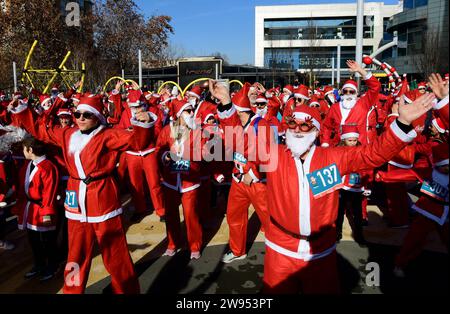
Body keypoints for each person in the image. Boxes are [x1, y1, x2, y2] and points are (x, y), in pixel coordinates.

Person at [209, 66, 435, 294]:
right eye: (292, 124)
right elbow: (239, 143)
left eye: (305, 125)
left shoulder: (333, 157)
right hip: (280, 250)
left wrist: (402, 123)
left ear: (316, 131)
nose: (297, 129)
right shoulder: (274, 155)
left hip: (321, 251)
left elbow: (373, 153)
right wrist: (227, 104)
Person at [8, 94, 157, 294]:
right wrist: (23, 110)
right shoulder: (68, 134)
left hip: (102, 199)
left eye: (87, 115)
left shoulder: (108, 135)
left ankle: (127, 290)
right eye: (77, 114)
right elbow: (41, 130)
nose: (80, 118)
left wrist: (142, 123)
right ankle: (72, 291)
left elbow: (137, 142)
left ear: (97, 117)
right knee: (75, 255)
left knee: (115, 254)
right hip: (75, 202)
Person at [213, 82, 272, 264]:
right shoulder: (238, 125)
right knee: (234, 216)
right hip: (238, 179)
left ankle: (280, 250)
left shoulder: (260, 125)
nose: (232, 116)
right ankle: (238, 250)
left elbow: (267, 154)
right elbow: (228, 123)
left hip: (257, 182)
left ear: (242, 111)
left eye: (234, 111)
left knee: (269, 217)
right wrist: (224, 101)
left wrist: (252, 174)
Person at [156, 99, 204, 260]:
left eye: (192, 110)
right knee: (171, 214)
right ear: (178, 114)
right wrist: (166, 155)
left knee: (191, 215)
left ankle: (194, 245)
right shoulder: (166, 130)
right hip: (170, 180)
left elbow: (203, 152)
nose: (192, 113)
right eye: (188, 111)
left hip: (189, 180)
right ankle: (172, 243)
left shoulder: (197, 130)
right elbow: (158, 150)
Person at [393, 142, 449, 278]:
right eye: (445, 166)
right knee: (414, 239)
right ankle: (400, 264)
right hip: (427, 212)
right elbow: (408, 174)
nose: (447, 168)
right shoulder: (429, 172)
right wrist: (384, 176)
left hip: (446, 215)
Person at [13, 136, 60, 281]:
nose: (23, 152)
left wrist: (47, 214)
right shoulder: (28, 165)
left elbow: (49, 193)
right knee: (34, 240)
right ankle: (39, 264)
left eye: (24, 149)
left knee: (48, 241)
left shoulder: (48, 167)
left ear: (30, 150)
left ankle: (52, 266)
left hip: (42, 209)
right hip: (30, 209)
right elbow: (23, 187)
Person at [320, 60, 381, 147]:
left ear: (356, 93)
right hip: (338, 148)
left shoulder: (363, 104)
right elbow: (326, 126)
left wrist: (360, 70)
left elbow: (376, 86)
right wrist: (325, 143)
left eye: (351, 91)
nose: (348, 93)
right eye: (345, 91)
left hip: (359, 148)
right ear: (342, 92)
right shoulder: (335, 107)